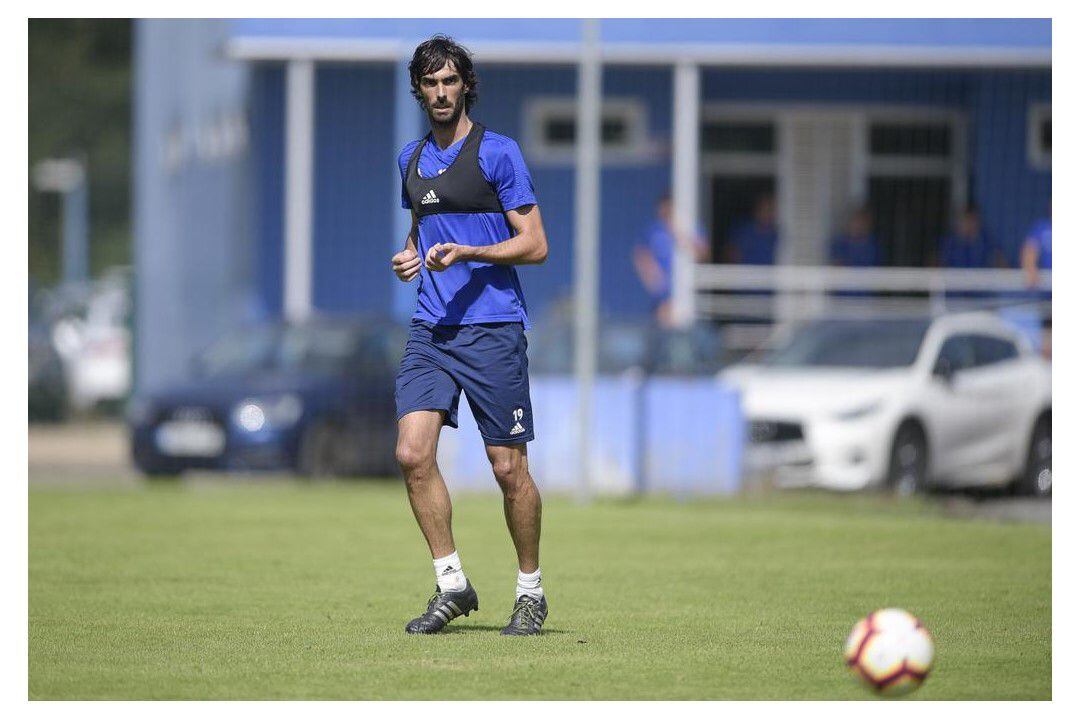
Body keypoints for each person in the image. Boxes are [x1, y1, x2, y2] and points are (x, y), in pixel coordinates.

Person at [390, 36, 550, 636]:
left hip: (493, 329)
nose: (440, 93)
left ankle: (530, 592)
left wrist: (471, 252)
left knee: (508, 469)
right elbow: (422, 230)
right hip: (432, 328)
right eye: (429, 83)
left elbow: (534, 244)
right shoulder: (409, 158)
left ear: (465, 86)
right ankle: (451, 584)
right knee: (411, 453)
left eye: (449, 81)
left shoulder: (498, 153)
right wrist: (409, 256)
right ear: (418, 90)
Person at [632, 192, 709, 328]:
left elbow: (702, 254)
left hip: (686, 290)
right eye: (661, 208)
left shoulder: (690, 227)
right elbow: (640, 254)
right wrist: (653, 279)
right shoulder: (653, 230)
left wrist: (682, 237)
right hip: (662, 294)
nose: (663, 211)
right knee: (663, 331)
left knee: (685, 328)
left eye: (667, 207)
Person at [726, 193, 778, 265]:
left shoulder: (776, 234)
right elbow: (732, 255)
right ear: (757, 210)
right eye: (765, 209)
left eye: (770, 210)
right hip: (747, 273)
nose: (768, 214)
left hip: (771, 274)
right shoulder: (744, 232)